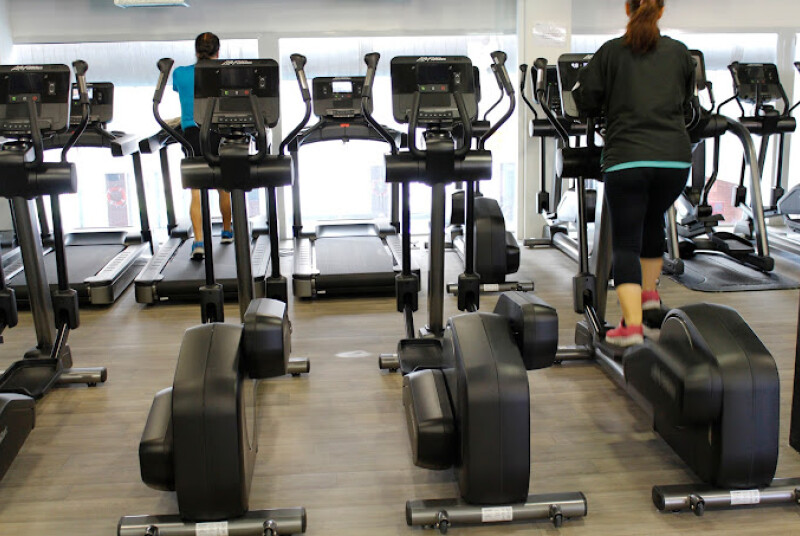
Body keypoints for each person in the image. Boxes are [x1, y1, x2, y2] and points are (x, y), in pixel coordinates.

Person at [573, 0, 695, 346]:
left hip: (628, 159)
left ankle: (632, 328)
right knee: (652, 221)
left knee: (626, 242)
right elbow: (686, 101)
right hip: (675, 162)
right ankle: (648, 297)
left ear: (628, 8)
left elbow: (585, 100)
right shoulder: (680, 52)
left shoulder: (611, 52)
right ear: (660, 10)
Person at [173, 31, 233, 260]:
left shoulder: (180, 73)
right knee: (224, 184)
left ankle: (198, 242)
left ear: (196, 51)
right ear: (218, 52)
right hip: (217, 130)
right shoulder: (225, 73)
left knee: (196, 189)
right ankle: (226, 231)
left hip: (191, 133)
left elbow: (181, 92)